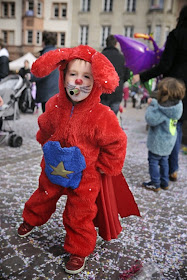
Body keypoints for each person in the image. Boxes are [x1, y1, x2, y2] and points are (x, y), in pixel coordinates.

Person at [17, 45, 140, 275]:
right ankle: (31, 219)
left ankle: (79, 249)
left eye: (87, 76)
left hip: (86, 175)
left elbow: (116, 141)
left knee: (80, 212)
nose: (79, 81)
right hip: (54, 165)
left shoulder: (102, 115)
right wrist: (44, 142)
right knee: (42, 196)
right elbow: (44, 125)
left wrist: (106, 166)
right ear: (63, 76)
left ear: (96, 82)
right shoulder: (54, 104)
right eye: (73, 74)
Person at [133, 5, 187, 182]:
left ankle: (165, 165)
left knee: (169, 125)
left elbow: (164, 65)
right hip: (185, 91)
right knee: (177, 125)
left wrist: (143, 76)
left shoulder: (176, 35)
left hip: (173, 87)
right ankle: (173, 169)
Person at [142, 77, 185, 192]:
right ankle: (164, 182)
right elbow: (161, 107)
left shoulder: (162, 112)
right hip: (169, 142)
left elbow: (150, 119)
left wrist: (151, 106)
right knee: (164, 161)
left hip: (158, 142)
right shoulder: (176, 107)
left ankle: (155, 183)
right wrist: (155, 103)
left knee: (153, 161)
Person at [28, 31, 59, 112]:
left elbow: (42, 72)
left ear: (43, 42)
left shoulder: (46, 54)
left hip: (47, 93)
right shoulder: (58, 53)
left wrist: (30, 76)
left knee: (48, 121)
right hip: (57, 92)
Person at [100, 35, 130, 114]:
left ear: (106, 43)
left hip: (103, 93)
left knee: (102, 118)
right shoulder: (122, 58)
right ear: (116, 44)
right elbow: (127, 75)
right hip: (117, 92)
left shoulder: (100, 57)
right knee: (112, 119)